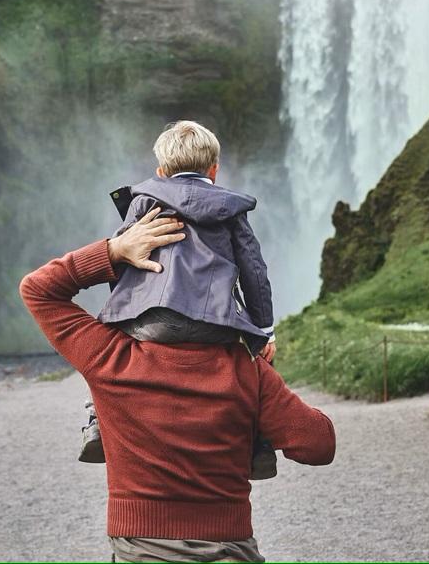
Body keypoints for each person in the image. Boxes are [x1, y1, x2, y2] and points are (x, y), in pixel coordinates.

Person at [20, 208, 335, 562]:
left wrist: (115, 250)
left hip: (140, 547)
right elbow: (319, 445)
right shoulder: (247, 370)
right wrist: (264, 373)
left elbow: (38, 290)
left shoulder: (109, 357)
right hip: (229, 548)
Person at [80, 120, 279, 478]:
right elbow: (254, 271)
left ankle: (97, 423)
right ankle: (258, 442)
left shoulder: (143, 202)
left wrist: (124, 312)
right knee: (258, 364)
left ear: (160, 172)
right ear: (214, 170)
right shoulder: (231, 210)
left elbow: (124, 257)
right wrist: (265, 331)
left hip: (151, 321)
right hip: (215, 322)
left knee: (102, 352)